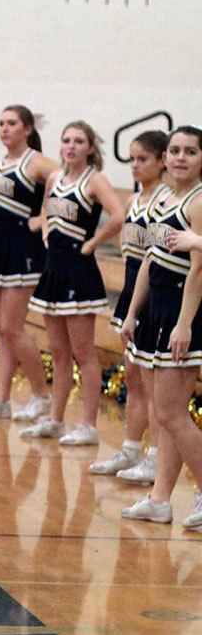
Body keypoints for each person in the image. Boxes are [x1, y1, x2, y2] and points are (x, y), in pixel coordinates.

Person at [21, 121, 125, 444]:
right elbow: (46, 209)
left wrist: (93, 243)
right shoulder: (54, 178)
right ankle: (55, 420)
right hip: (54, 269)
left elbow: (118, 215)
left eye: (79, 141)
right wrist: (47, 226)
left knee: (84, 352)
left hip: (80, 272)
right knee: (59, 352)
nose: (71, 146)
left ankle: (89, 426)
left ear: (90, 148)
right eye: (66, 140)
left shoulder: (95, 180)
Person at [119, 126, 202, 528]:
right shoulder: (163, 197)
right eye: (175, 150)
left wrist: (184, 323)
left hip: (185, 312)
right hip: (157, 310)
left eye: (191, 151)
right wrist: (134, 310)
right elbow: (149, 261)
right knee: (166, 414)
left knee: (171, 412)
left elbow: (199, 271)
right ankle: (160, 499)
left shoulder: (199, 202)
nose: (181, 157)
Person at [0, 105, 59, 421]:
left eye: (12, 123)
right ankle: (0, 399)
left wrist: (44, 217)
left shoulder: (39, 163)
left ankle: (42, 396)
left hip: (24, 251)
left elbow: (68, 186)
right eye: (1, 123)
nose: (4, 128)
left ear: (27, 129)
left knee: (11, 327)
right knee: (2, 330)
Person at [90, 130, 170, 480]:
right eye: (132, 159)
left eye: (143, 159)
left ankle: (155, 458)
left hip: (158, 298)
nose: (135, 165)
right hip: (132, 293)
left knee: (153, 386)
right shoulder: (137, 199)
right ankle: (130, 450)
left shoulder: (167, 200)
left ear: (162, 160)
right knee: (134, 379)